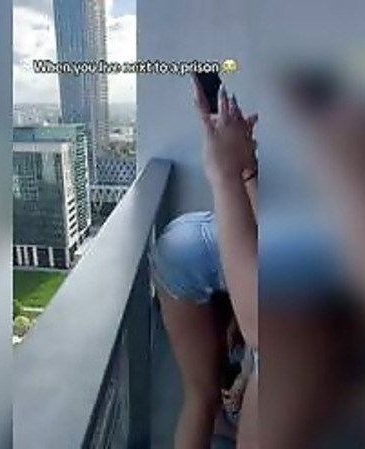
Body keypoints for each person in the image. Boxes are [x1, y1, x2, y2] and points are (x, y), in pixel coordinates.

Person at [149, 78, 259, 448]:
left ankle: (220, 416)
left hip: (185, 244)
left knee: (199, 393)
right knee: (207, 394)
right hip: (201, 255)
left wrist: (240, 163)